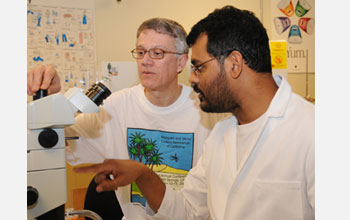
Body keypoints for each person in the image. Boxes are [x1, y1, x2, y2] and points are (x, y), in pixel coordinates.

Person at [74, 5, 315, 220]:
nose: (191, 78)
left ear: (234, 63)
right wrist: (143, 175)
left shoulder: (313, 131)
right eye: (141, 52)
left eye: (199, 67)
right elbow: (187, 211)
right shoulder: (221, 134)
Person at [27, 18, 227, 219]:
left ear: (181, 62)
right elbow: (53, 140)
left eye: (157, 53)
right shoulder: (116, 106)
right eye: (140, 52)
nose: (146, 61)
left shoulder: (207, 111)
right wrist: (49, 102)